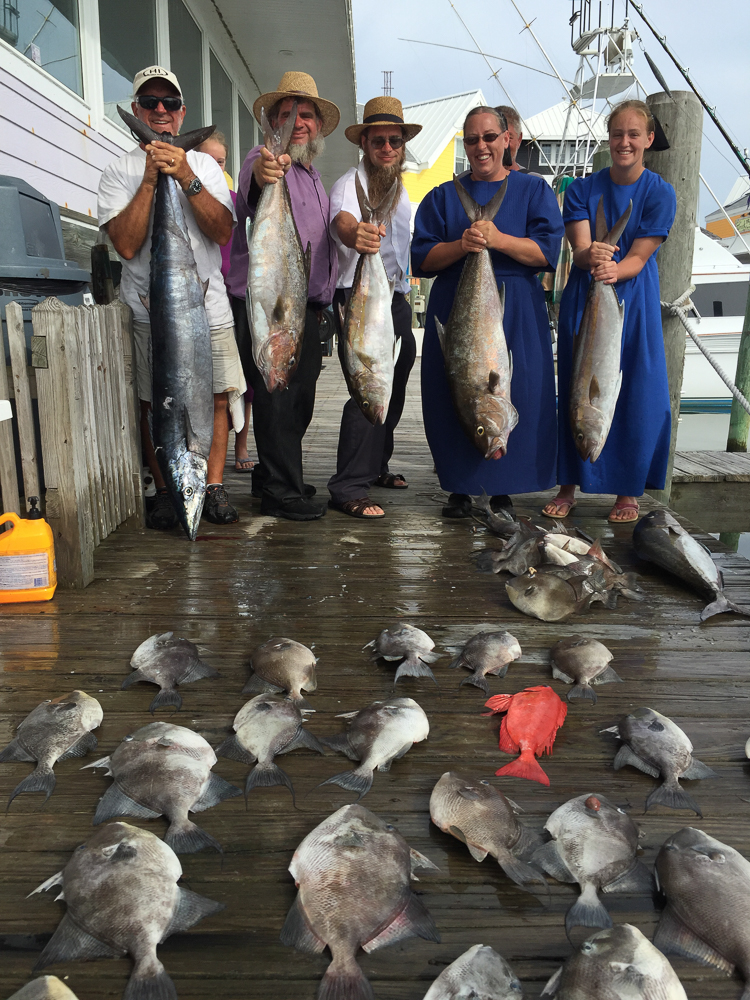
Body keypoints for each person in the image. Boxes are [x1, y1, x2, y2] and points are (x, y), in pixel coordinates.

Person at [98, 65, 245, 528]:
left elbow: (223, 232)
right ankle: (166, 491)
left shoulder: (204, 166)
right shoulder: (117, 171)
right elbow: (125, 244)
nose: (159, 112)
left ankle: (213, 486)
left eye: (169, 104)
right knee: (151, 402)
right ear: (138, 109)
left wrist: (184, 174)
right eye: (149, 104)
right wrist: (148, 178)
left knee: (218, 396)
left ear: (182, 115)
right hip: (150, 313)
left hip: (208, 308)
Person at [411, 106, 564, 518]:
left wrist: (497, 239)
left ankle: (503, 490)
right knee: (454, 393)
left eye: (489, 137)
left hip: (516, 308)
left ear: (507, 138)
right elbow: (422, 259)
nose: (482, 146)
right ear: (466, 144)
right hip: (457, 303)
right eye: (473, 139)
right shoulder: (442, 196)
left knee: (520, 392)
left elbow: (547, 252)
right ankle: (459, 488)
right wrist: (463, 246)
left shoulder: (534, 191)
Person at [543, 99, 676, 524]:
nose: (624, 142)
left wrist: (613, 267)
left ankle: (627, 492)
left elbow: (639, 257)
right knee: (580, 387)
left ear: (648, 140)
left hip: (632, 299)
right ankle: (568, 486)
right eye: (617, 134)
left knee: (638, 393)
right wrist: (592, 256)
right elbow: (579, 250)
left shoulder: (660, 192)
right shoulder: (581, 189)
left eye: (634, 134)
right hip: (587, 296)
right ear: (608, 138)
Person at [226, 72, 339, 520]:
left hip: (307, 308)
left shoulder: (312, 176)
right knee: (276, 399)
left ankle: (275, 474)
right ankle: (280, 491)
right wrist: (263, 170)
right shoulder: (266, 157)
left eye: (306, 114)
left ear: (317, 126)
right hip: (273, 307)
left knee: (299, 401)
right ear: (273, 121)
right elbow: (253, 187)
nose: (298, 122)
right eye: (288, 114)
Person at [326, 97, 421, 519]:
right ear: (364, 143)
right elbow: (340, 222)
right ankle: (348, 486)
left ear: (402, 146)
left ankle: (377, 464)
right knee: (367, 389)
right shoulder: (350, 184)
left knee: (394, 385)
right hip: (359, 299)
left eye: (394, 141)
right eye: (378, 141)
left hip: (394, 300)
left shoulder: (400, 190)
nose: (386, 148)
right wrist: (356, 234)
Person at [197, 130, 255, 474]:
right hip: (198, 300)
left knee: (240, 379)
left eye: (221, 161)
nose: (217, 167)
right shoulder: (187, 195)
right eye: (209, 160)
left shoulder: (234, 201)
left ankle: (242, 443)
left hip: (234, 296)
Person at [496, 105, 524, 171]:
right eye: (495, 137)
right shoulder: (469, 178)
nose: (503, 145)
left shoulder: (533, 180)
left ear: (519, 139)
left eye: (508, 138)